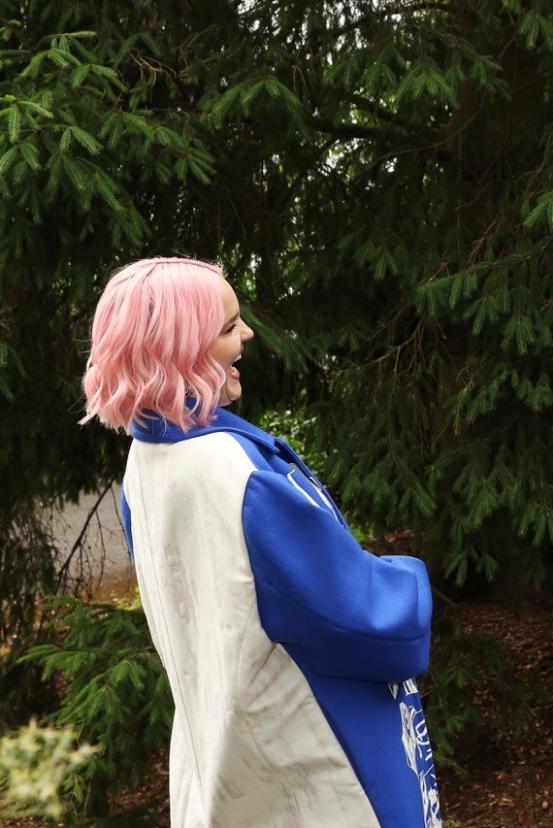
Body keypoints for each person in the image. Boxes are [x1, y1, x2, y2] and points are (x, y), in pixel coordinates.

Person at [81, 258, 442, 828]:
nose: (247, 334)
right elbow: (368, 622)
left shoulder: (143, 463)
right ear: (179, 351)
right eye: (228, 328)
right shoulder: (235, 474)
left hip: (222, 761)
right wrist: (406, 573)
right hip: (311, 774)